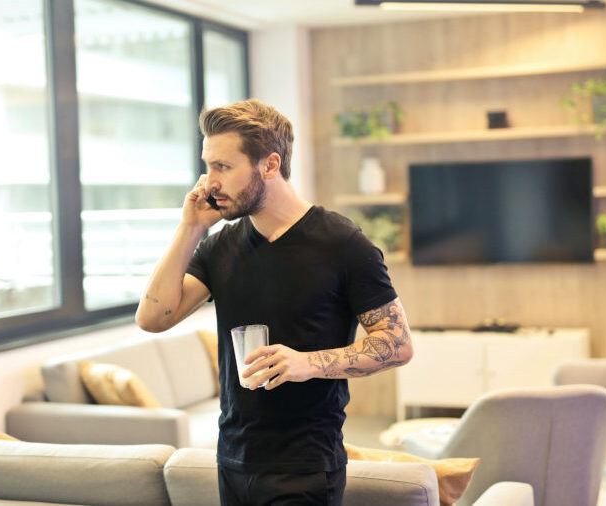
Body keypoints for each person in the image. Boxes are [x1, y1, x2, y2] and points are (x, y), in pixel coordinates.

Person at [136, 99, 413, 506]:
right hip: (232, 457)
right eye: (207, 165)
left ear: (269, 165)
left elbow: (398, 343)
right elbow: (153, 318)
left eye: (223, 167)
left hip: (305, 464)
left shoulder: (342, 243)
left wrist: (308, 363)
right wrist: (190, 227)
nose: (209, 182)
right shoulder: (218, 247)